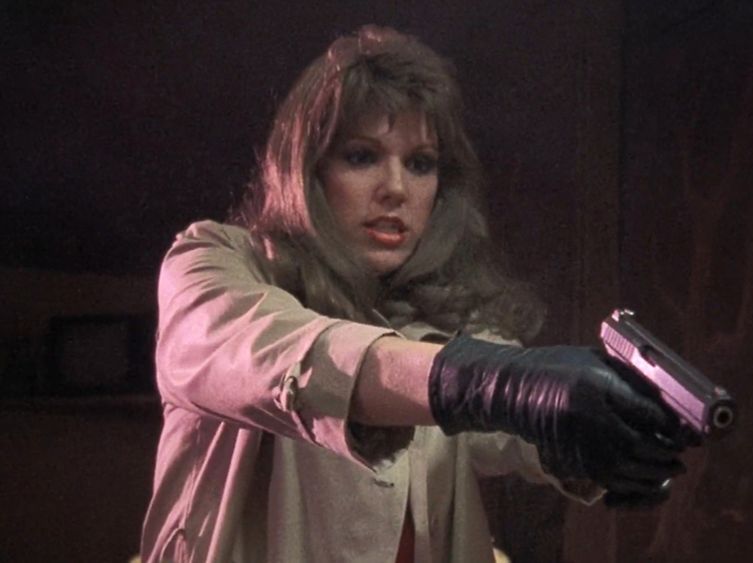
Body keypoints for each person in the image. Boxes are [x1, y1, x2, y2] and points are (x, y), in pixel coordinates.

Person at [142, 25, 691, 563]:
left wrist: (598, 441)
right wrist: (489, 382)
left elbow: (507, 427)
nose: (396, 189)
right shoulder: (214, 262)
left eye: (421, 164)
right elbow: (278, 354)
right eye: (361, 156)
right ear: (308, 171)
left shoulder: (433, 318)